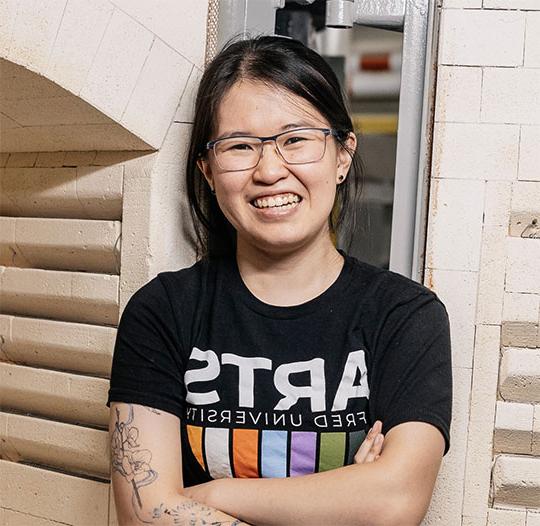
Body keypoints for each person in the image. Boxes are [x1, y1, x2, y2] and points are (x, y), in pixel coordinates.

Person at [107, 35, 452, 526]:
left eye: (295, 140)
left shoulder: (404, 317)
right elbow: (146, 514)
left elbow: (395, 502)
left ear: (342, 155)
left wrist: (212, 494)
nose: (270, 170)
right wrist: (344, 500)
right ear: (207, 171)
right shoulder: (163, 311)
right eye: (240, 146)